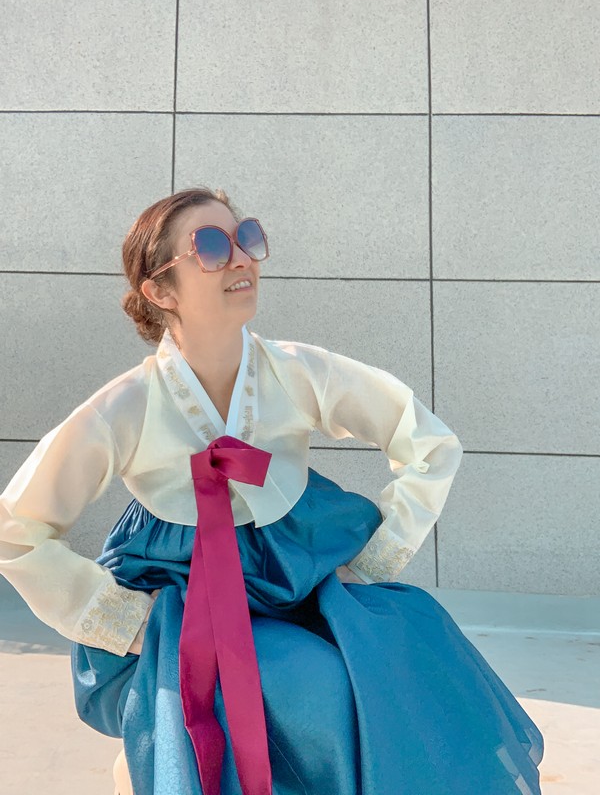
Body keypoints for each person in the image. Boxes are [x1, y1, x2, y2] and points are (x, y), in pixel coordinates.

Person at [0, 187, 544, 795]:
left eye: (246, 237)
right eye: (210, 246)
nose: (241, 258)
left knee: (409, 660)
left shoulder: (297, 372)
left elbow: (428, 443)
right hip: (186, 596)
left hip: (302, 577)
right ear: (159, 290)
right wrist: (124, 620)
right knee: (310, 684)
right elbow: (17, 528)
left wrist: (377, 556)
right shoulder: (124, 407)